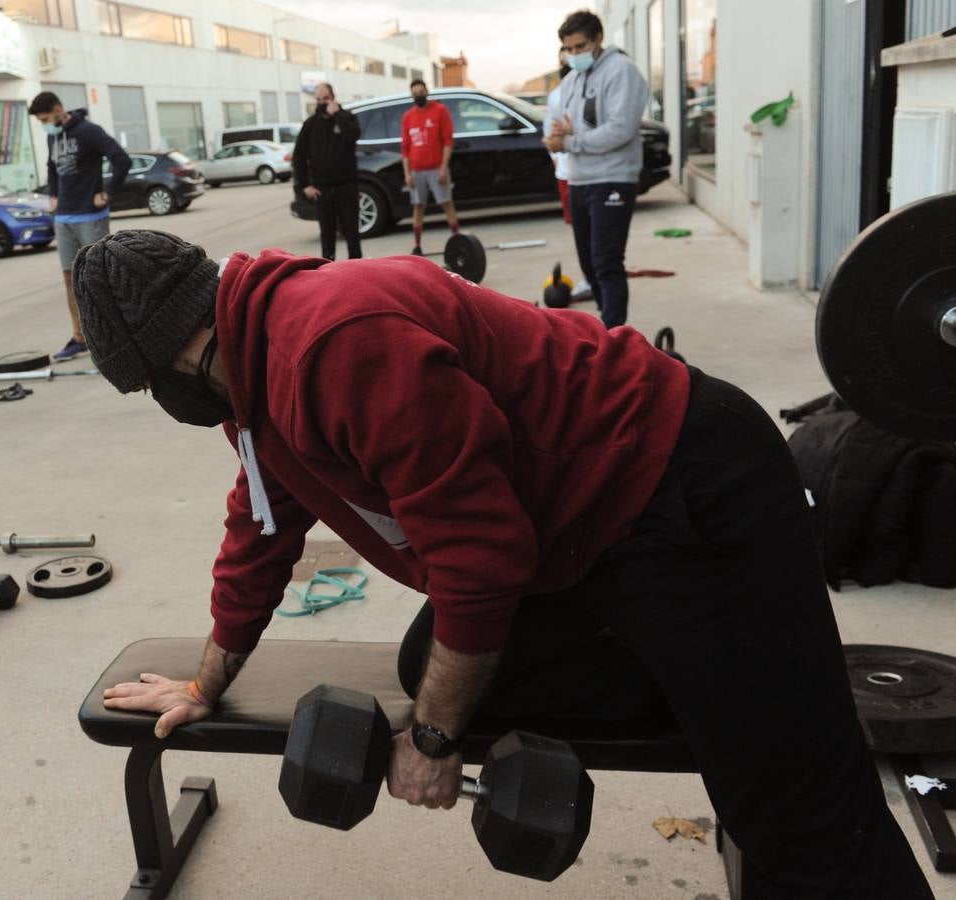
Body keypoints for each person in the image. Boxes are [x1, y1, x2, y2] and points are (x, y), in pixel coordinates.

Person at [76, 230, 934, 897]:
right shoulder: (251, 368)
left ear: (180, 354)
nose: (165, 405)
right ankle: (731, 678)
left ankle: (763, 706)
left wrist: (437, 739)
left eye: (156, 385)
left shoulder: (332, 348)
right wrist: (206, 680)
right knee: (431, 665)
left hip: (681, 479)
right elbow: (261, 526)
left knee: (798, 812)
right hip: (579, 524)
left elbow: (479, 563)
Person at [545, 9, 649, 329]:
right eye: (569, 49)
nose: (574, 54)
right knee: (589, 265)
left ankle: (613, 339)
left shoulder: (622, 71)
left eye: (580, 47)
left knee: (607, 263)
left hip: (612, 179)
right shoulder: (573, 79)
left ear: (598, 39)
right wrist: (555, 138)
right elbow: (561, 124)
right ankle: (608, 329)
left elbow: (621, 129)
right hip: (579, 180)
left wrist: (571, 143)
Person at [29, 91, 132, 362]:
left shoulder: (89, 132)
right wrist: (53, 194)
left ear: (59, 109)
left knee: (98, 278)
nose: (45, 124)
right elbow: (52, 167)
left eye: (46, 118)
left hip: (90, 217)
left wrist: (107, 192)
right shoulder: (53, 135)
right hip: (63, 218)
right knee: (69, 280)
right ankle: (80, 337)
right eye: (41, 121)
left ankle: (115, 338)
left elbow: (122, 159)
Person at [291, 82, 362, 261]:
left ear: (333, 98)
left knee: (352, 233)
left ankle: (358, 271)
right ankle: (328, 271)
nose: (322, 103)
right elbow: (298, 156)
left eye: (326, 99)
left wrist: (337, 115)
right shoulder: (310, 124)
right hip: (322, 189)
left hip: (346, 186)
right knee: (327, 235)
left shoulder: (346, 117)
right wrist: (304, 185)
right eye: (318, 100)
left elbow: (353, 135)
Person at [399, 79, 460, 257]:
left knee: (446, 203)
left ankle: (457, 239)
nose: (419, 95)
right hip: (416, 170)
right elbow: (405, 148)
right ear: (412, 95)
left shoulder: (439, 111)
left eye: (421, 91)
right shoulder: (408, 117)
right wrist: (407, 173)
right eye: (415, 93)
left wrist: (443, 167)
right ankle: (417, 246)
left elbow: (448, 141)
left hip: (436, 167)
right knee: (418, 206)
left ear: (427, 91)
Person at [543, 48, 574, 225]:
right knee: (576, 225)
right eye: (562, 63)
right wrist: (554, 156)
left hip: (593, 175)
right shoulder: (556, 96)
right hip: (566, 173)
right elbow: (549, 129)